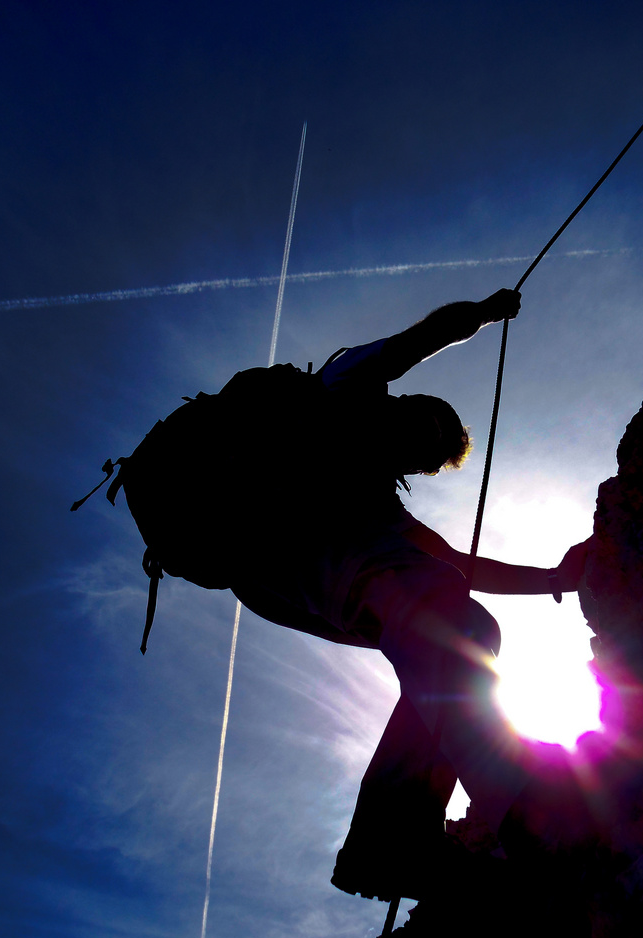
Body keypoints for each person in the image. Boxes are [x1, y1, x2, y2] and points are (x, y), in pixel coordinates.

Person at [229, 288, 592, 901]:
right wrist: (480, 314)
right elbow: (418, 341)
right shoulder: (343, 391)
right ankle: (517, 805)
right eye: (428, 433)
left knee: (464, 629)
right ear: (411, 404)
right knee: (455, 627)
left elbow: (462, 565)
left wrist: (553, 579)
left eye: (428, 460)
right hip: (294, 547)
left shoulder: (381, 509)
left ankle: (388, 842)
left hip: (283, 570)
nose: (421, 454)